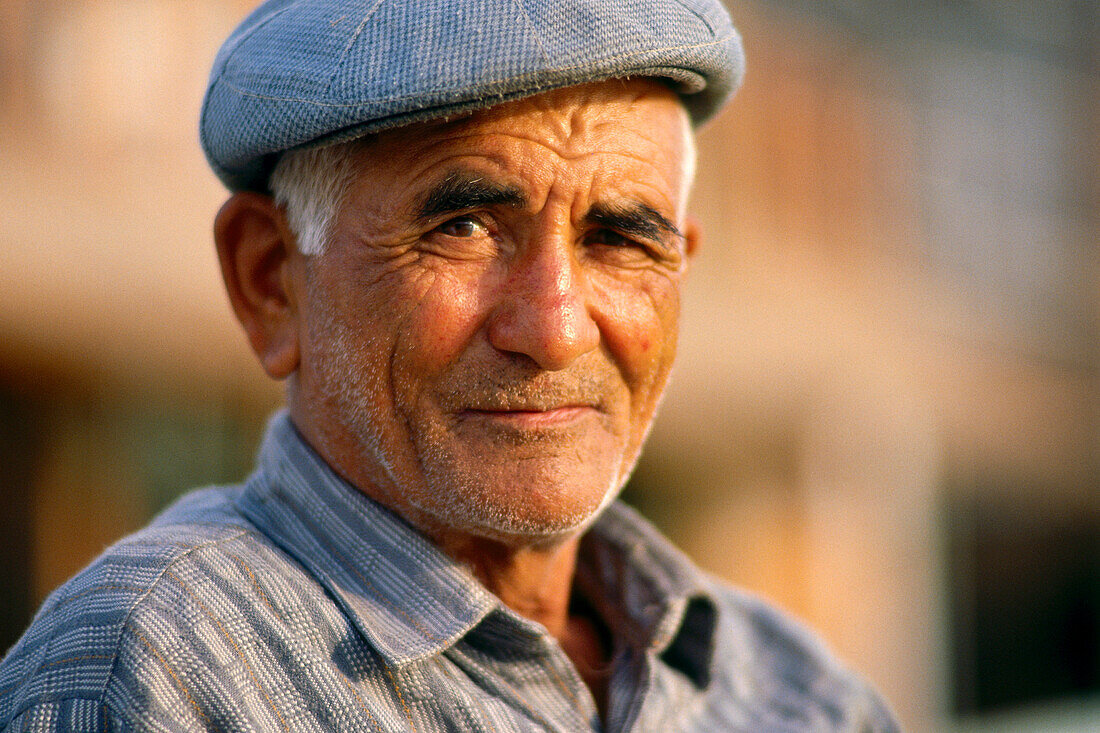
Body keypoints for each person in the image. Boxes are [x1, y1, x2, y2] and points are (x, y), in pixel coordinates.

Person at [0, 0, 899, 730]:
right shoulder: (154, 675)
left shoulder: (797, 694)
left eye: (621, 237)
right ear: (271, 281)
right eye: (461, 227)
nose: (554, 329)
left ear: (682, 271)